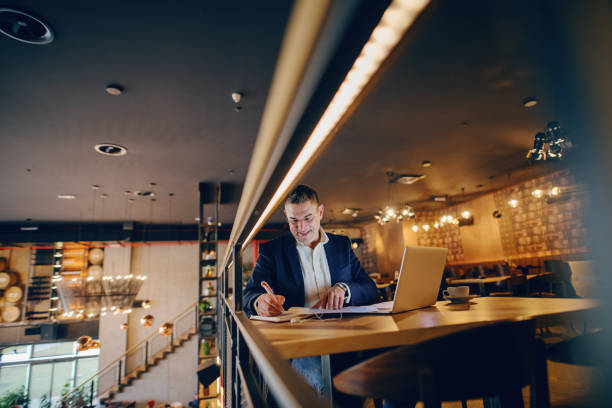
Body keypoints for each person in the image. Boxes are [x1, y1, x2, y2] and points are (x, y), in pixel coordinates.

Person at [243, 184, 377, 401]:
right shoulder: (272, 252)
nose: (301, 227)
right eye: (293, 220)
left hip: (347, 337)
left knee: (399, 367)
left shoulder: (342, 245)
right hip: (301, 343)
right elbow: (249, 293)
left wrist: (345, 289)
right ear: (286, 216)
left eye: (307, 218)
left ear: (321, 212)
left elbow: (369, 288)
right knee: (324, 390)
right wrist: (259, 301)